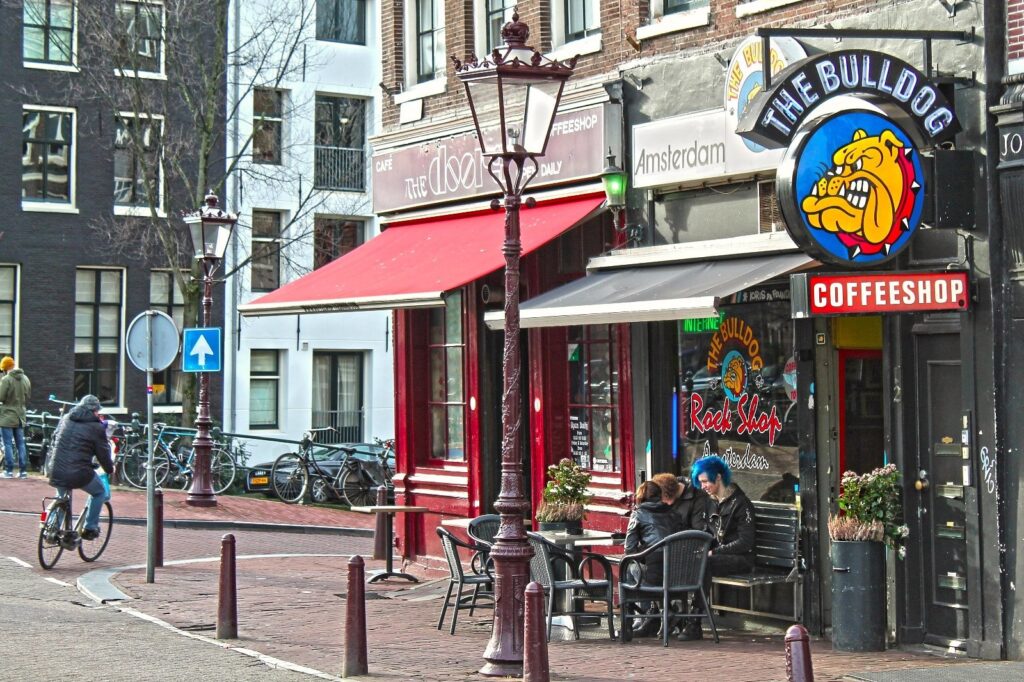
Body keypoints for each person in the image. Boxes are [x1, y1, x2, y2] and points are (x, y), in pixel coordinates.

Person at [678, 455, 756, 641]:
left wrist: (714, 551)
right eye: (700, 482)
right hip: (717, 554)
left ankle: (695, 620)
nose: (703, 486)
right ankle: (679, 612)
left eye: (705, 481)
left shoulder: (741, 504)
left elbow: (746, 542)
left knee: (705, 563)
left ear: (718, 477)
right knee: (692, 560)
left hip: (742, 558)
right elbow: (708, 531)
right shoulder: (710, 501)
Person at [47, 395, 114, 540]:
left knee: (62, 497)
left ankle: (51, 530)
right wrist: (109, 469)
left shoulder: (66, 419)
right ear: (94, 411)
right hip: (78, 473)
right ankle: (89, 528)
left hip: (55, 468)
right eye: (98, 411)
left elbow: (54, 438)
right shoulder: (96, 427)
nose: (99, 414)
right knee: (99, 492)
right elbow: (103, 453)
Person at [624, 480, 684, 636]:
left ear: (640, 497)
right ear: (660, 496)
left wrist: (645, 551)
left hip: (655, 578)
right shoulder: (675, 513)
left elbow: (629, 549)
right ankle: (660, 613)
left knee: (629, 569)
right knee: (648, 569)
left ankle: (647, 617)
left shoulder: (638, 514)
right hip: (682, 576)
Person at [0, 356, 31, 479]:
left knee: (7, 443)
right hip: (21, 416)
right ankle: (23, 471)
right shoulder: (25, 379)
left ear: (5, 368)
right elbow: (28, 395)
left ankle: (8, 470)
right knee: (21, 443)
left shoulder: (6, 379)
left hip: (7, 416)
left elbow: (1, 397)